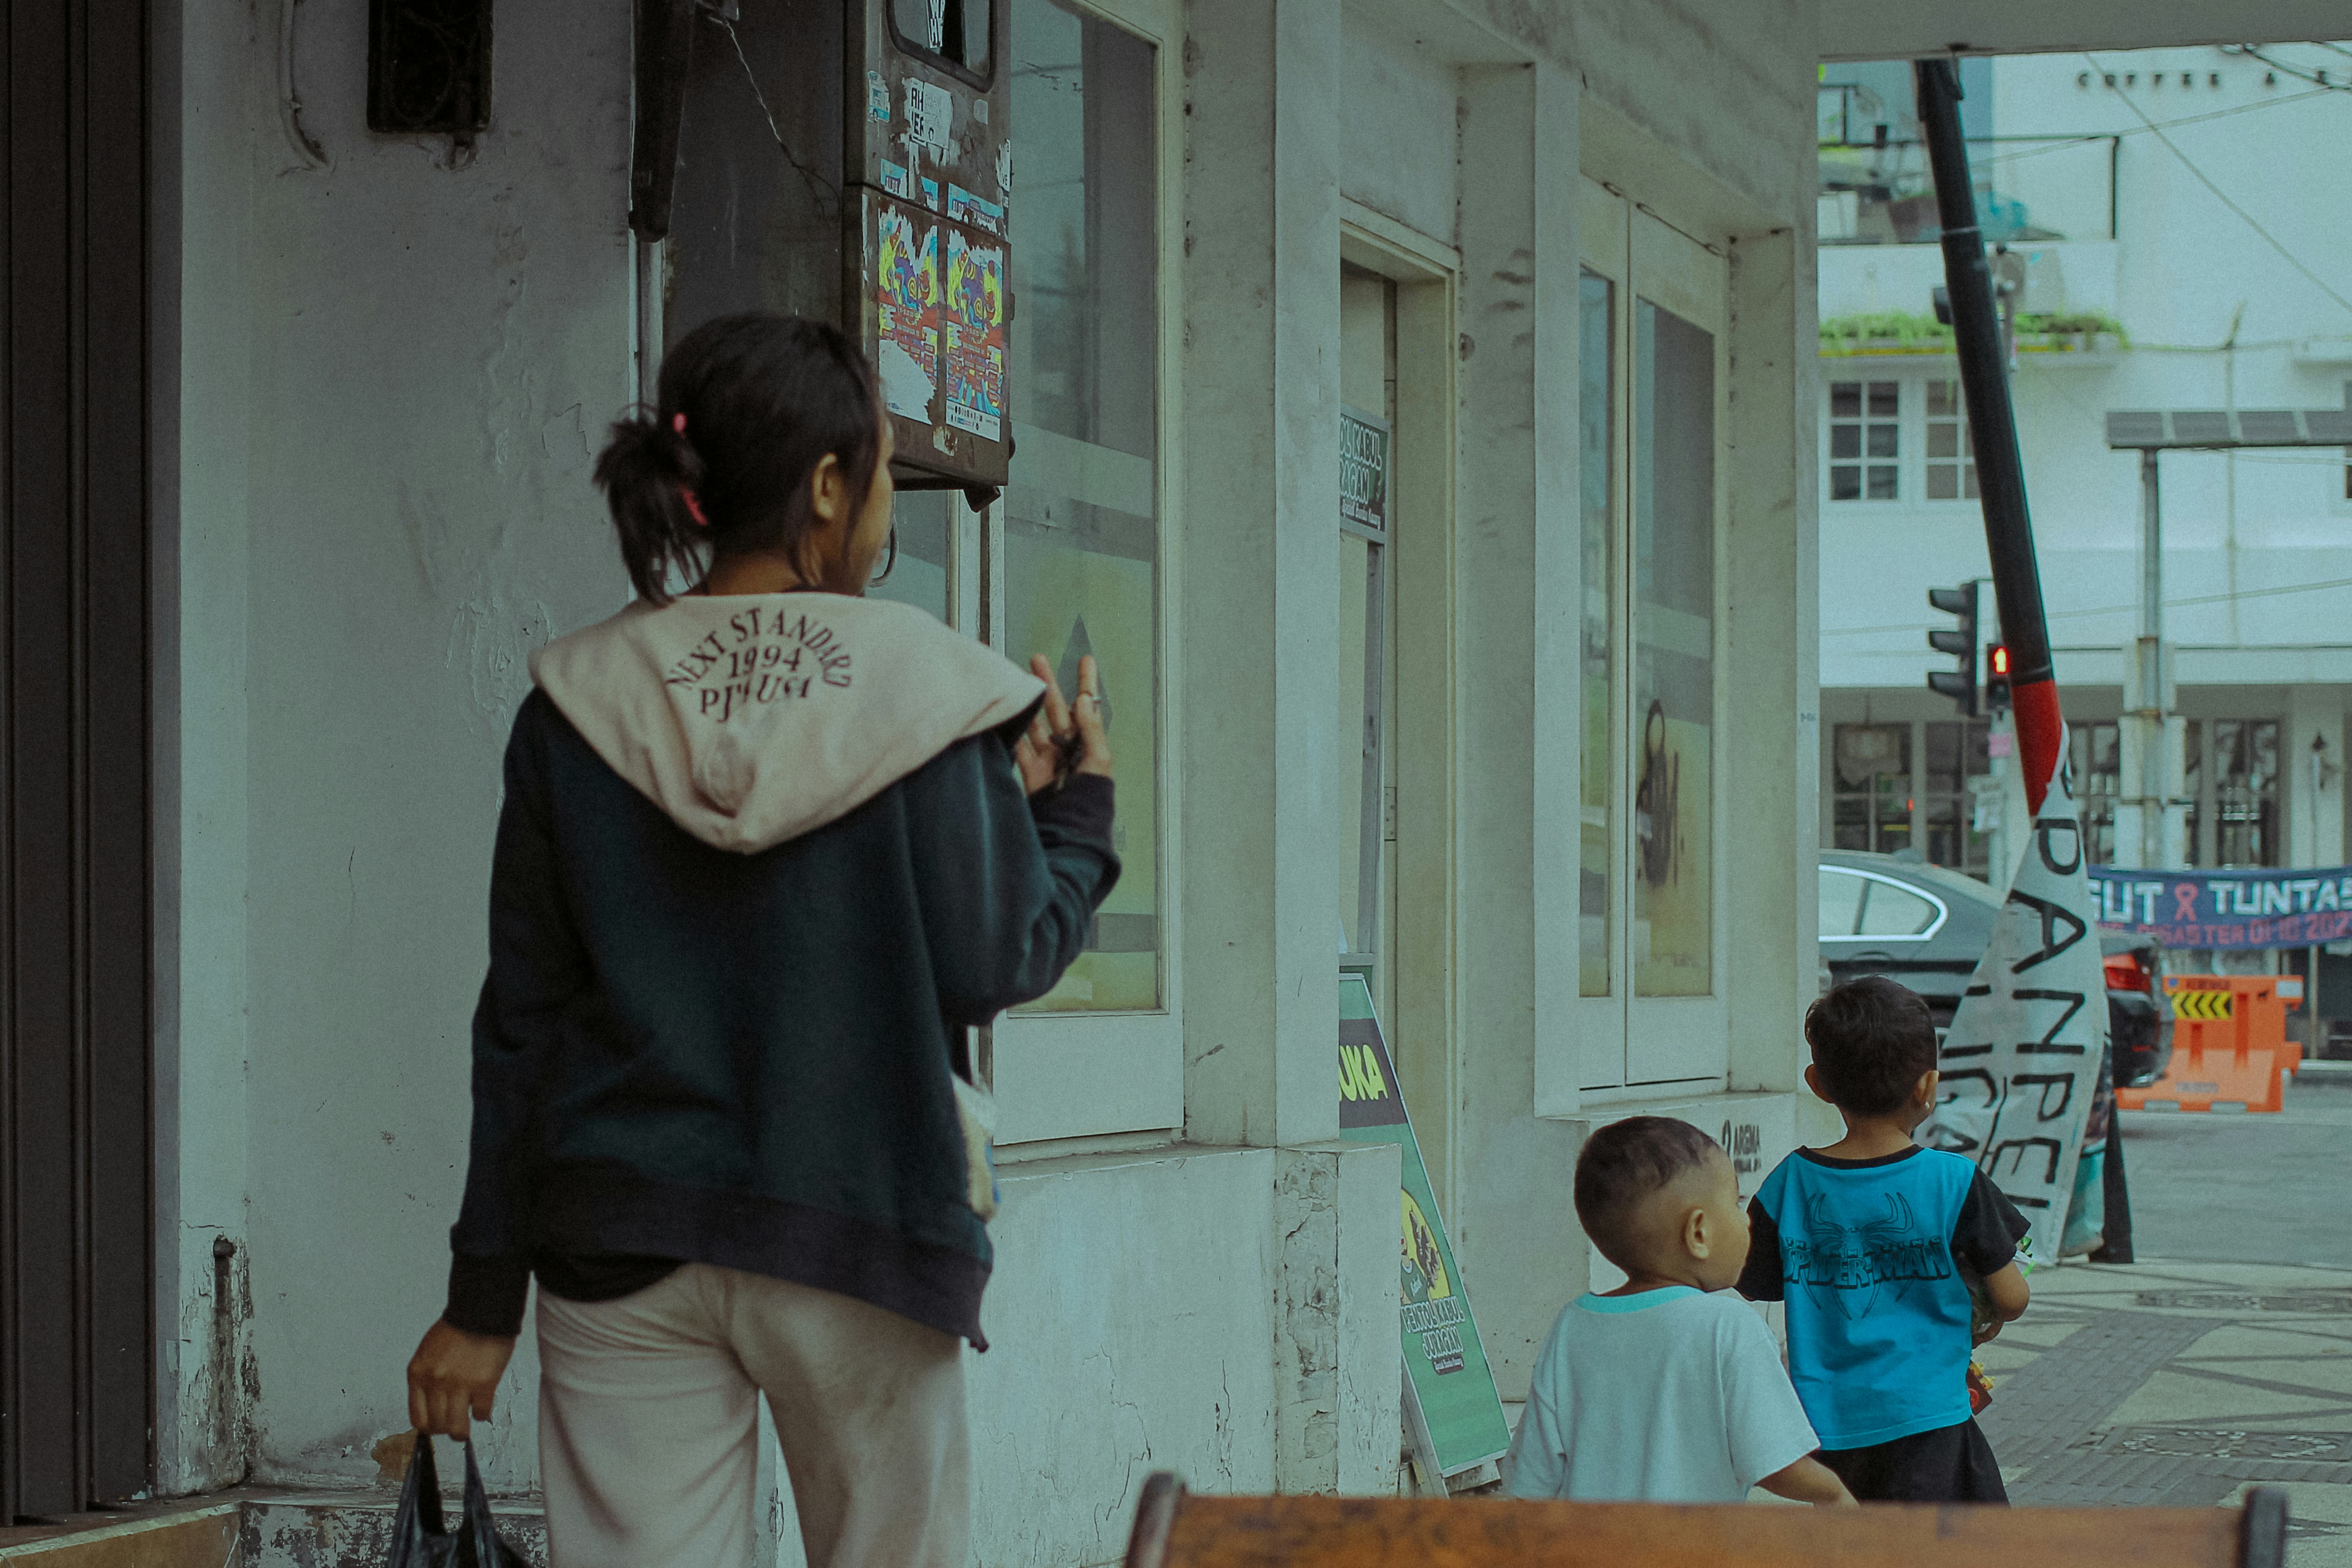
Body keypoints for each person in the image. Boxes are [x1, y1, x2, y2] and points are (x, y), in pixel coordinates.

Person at [402, 312, 1120, 1568]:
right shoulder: (929, 692)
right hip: (861, 1229)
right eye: (887, 473)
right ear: (830, 485)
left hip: (618, 1242)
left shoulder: (575, 702)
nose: (889, 507)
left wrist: (481, 1298)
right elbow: (996, 960)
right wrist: (1074, 820)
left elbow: (520, 1022)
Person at [1737, 976, 2032, 1504]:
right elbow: (2012, 1296)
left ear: (1818, 1083)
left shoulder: (1792, 1182)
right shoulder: (1953, 1180)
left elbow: (1751, 1280)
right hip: (1930, 1423)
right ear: (1928, 1086)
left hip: (1826, 1428)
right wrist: (1984, 1316)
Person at [1504, 1116, 1856, 1506]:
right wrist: (1834, 1493)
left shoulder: (1572, 1327)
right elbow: (1775, 1460)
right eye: (1737, 1202)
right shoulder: (1730, 1328)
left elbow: (1530, 1483)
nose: (1746, 1219)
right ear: (1699, 1233)